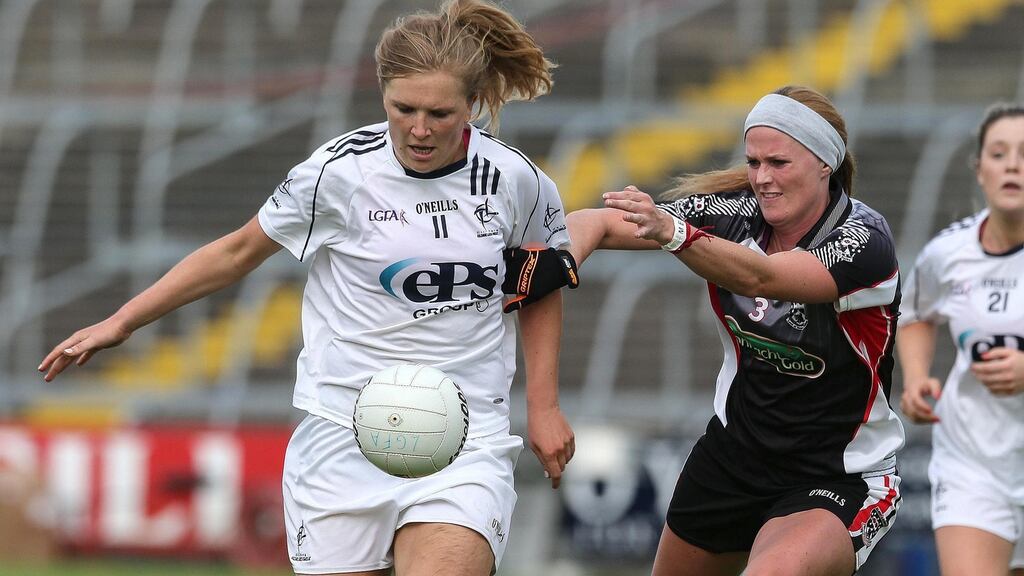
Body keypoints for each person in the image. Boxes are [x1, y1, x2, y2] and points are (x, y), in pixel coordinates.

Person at [38, 1, 575, 574]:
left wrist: (543, 407)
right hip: (342, 433)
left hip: (465, 436)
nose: (419, 129)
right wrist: (122, 321)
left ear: (471, 104)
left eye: (440, 113)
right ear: (382, 96)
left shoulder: (517, 180)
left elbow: (538, 286)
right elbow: (237, 251)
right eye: (404, 108)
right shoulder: (336, 174)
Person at [510, 85, 905, 575]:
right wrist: (562, 255)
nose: (761, 178)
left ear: (825, 163)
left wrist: (675, 234)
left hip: (837, 473)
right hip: (732, 458)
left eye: (778, 163)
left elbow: (765, 277)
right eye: (754, 162)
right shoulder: (734, 213)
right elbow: (597, 221)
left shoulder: (864, 240)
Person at [897, 102, 1024, 576]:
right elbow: (914, 314)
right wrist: (915, 379)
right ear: (979, 170)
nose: (1013, 164)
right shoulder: (947, 253)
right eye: (999, 153)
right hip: (974, 463)